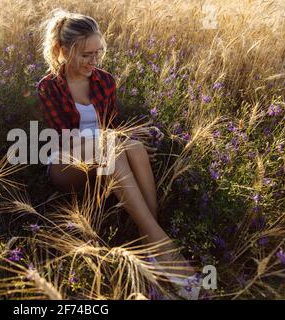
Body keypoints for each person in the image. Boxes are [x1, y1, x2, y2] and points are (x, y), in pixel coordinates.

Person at [36, 8, 202, 299]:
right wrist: (113, 138)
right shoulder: (49, 87)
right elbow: (64, 141)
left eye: (97, 53)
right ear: (63, 50)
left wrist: (131, 137)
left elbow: (112, 126)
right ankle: (160, 245)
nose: (93, 61)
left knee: (134, 147)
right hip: (66, 165)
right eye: (86, 55)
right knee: (111, 144)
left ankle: (149, 240)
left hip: (105, 160)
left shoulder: (105, 81)